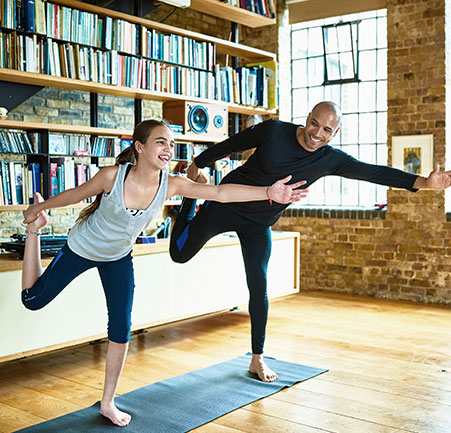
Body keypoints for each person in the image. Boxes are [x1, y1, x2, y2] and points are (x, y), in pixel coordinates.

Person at [21, 119, 307, 427]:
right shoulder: (111, 177)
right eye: (161, 142)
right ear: (140, 147)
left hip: (117, 258)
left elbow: (221, 192)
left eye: (171, 143)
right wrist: (37, 211)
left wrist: (268, 192)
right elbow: (76, 195)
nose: (168, 148)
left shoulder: (171, 184)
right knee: (32, 300)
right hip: (82, 248)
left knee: (121, 329)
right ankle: (33, 235)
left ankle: (108, 402)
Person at [169, 101, 451, 383]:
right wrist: (197, 164)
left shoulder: (328, 159)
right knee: (179, 254)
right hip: (227, 203)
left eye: (327, 129)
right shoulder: (274, 131)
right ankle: (190, 196)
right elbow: (233, 143)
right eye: (314, 123)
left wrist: (424, 183)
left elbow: (372, 172)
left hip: (258, 223)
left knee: (259, 286)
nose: (317, 133)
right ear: (307, 118)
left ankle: (257, 358)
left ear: (334, 133)